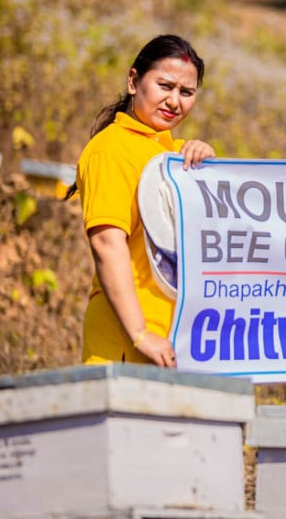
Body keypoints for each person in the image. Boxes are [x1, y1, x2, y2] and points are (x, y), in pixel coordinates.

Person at [65, 34, 215, 367]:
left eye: (186, 92)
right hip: (127, 338)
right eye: (165, 86)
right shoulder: (111, 150)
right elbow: (107, 244)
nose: (174, 101)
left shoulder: (175, 155)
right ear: (134, 81)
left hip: (175, 338)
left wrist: (209, 165)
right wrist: (139, 333)